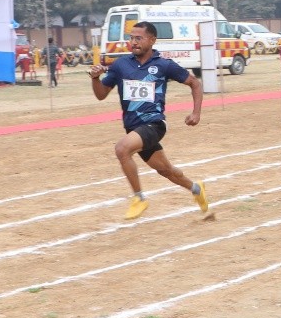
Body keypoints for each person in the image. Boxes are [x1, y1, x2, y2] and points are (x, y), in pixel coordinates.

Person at [89, 20, 211, 220]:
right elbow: (101, 95)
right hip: (134, 129)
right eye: (131, 38)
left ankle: (139, 198)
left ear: (152, 40)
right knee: (166, 171)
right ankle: (196, 188)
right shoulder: (120, 65)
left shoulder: (163, 65)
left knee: (122, 149)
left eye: (139, 38)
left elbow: (195, 83)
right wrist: (95, 79)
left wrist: (196, 113)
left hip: (154, 124)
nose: (134, 42)